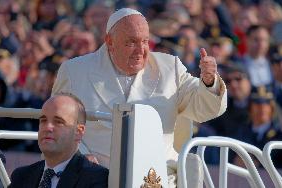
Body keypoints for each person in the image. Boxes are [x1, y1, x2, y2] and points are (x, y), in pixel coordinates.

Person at [51, 8, 227, 186]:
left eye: (145, 41)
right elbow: (54, 122)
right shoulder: (75, 71)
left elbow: (204, 109)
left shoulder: (170, 68)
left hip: (156, 179)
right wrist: (79, 156)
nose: (141, 50)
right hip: (93, 178)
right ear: (110, 42)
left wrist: (208, 82)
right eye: (131, 42)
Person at [8, 93, 108, 188]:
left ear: (78, 132)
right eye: (43, 120)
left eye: (58, 122)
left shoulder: (96, 178)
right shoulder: (21, 176)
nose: (48, 127)